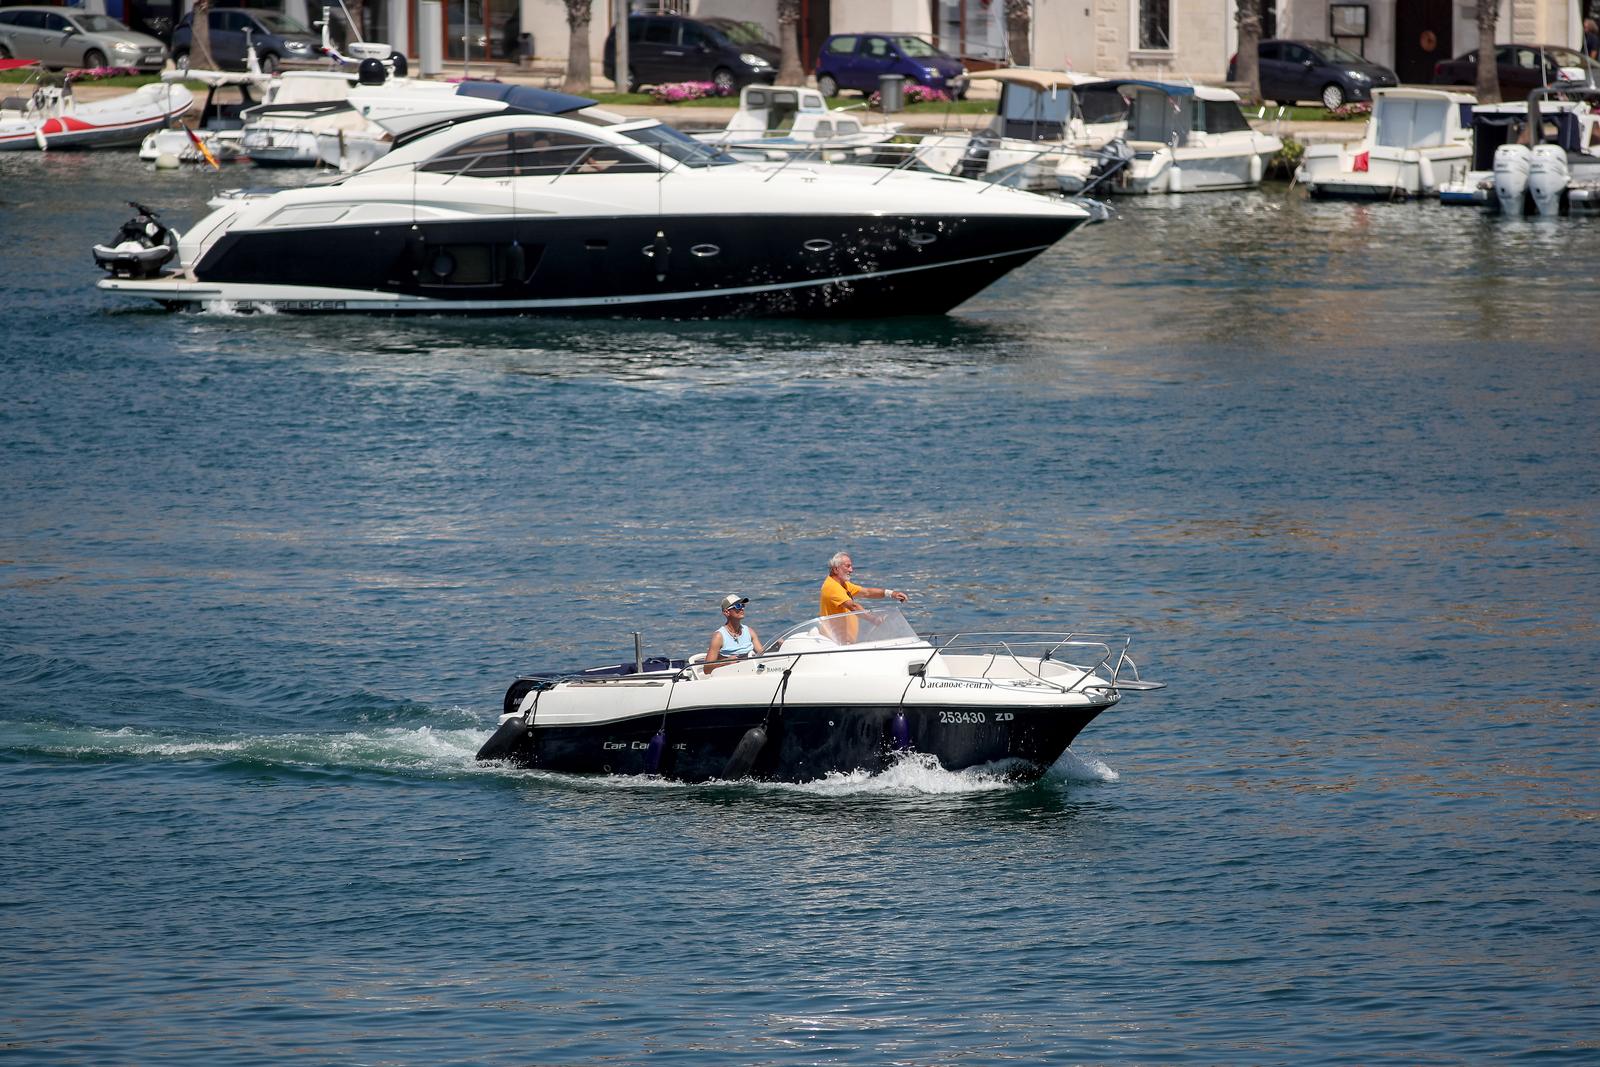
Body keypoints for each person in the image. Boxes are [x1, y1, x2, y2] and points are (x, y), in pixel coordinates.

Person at [819, 551, 907, 643]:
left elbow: (867, 592)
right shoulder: (832, 587)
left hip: (847, 643)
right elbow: (853, 607)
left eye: (851, 566)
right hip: (836, 643)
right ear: (836, 569)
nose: (851, 570)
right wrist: (874, 619)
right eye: (847, 566)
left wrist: (892, 593)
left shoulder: (843, 585)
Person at [704, 594, 763, 674]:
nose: (742, 608)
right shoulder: (719, 636)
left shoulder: (750, 632)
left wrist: (776, 646)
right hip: (729, 676)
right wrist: (726, 662)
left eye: (743, 605)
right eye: (738, 606)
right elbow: (707, 669)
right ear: (726, 612)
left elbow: (763, 655)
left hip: (749, 673)